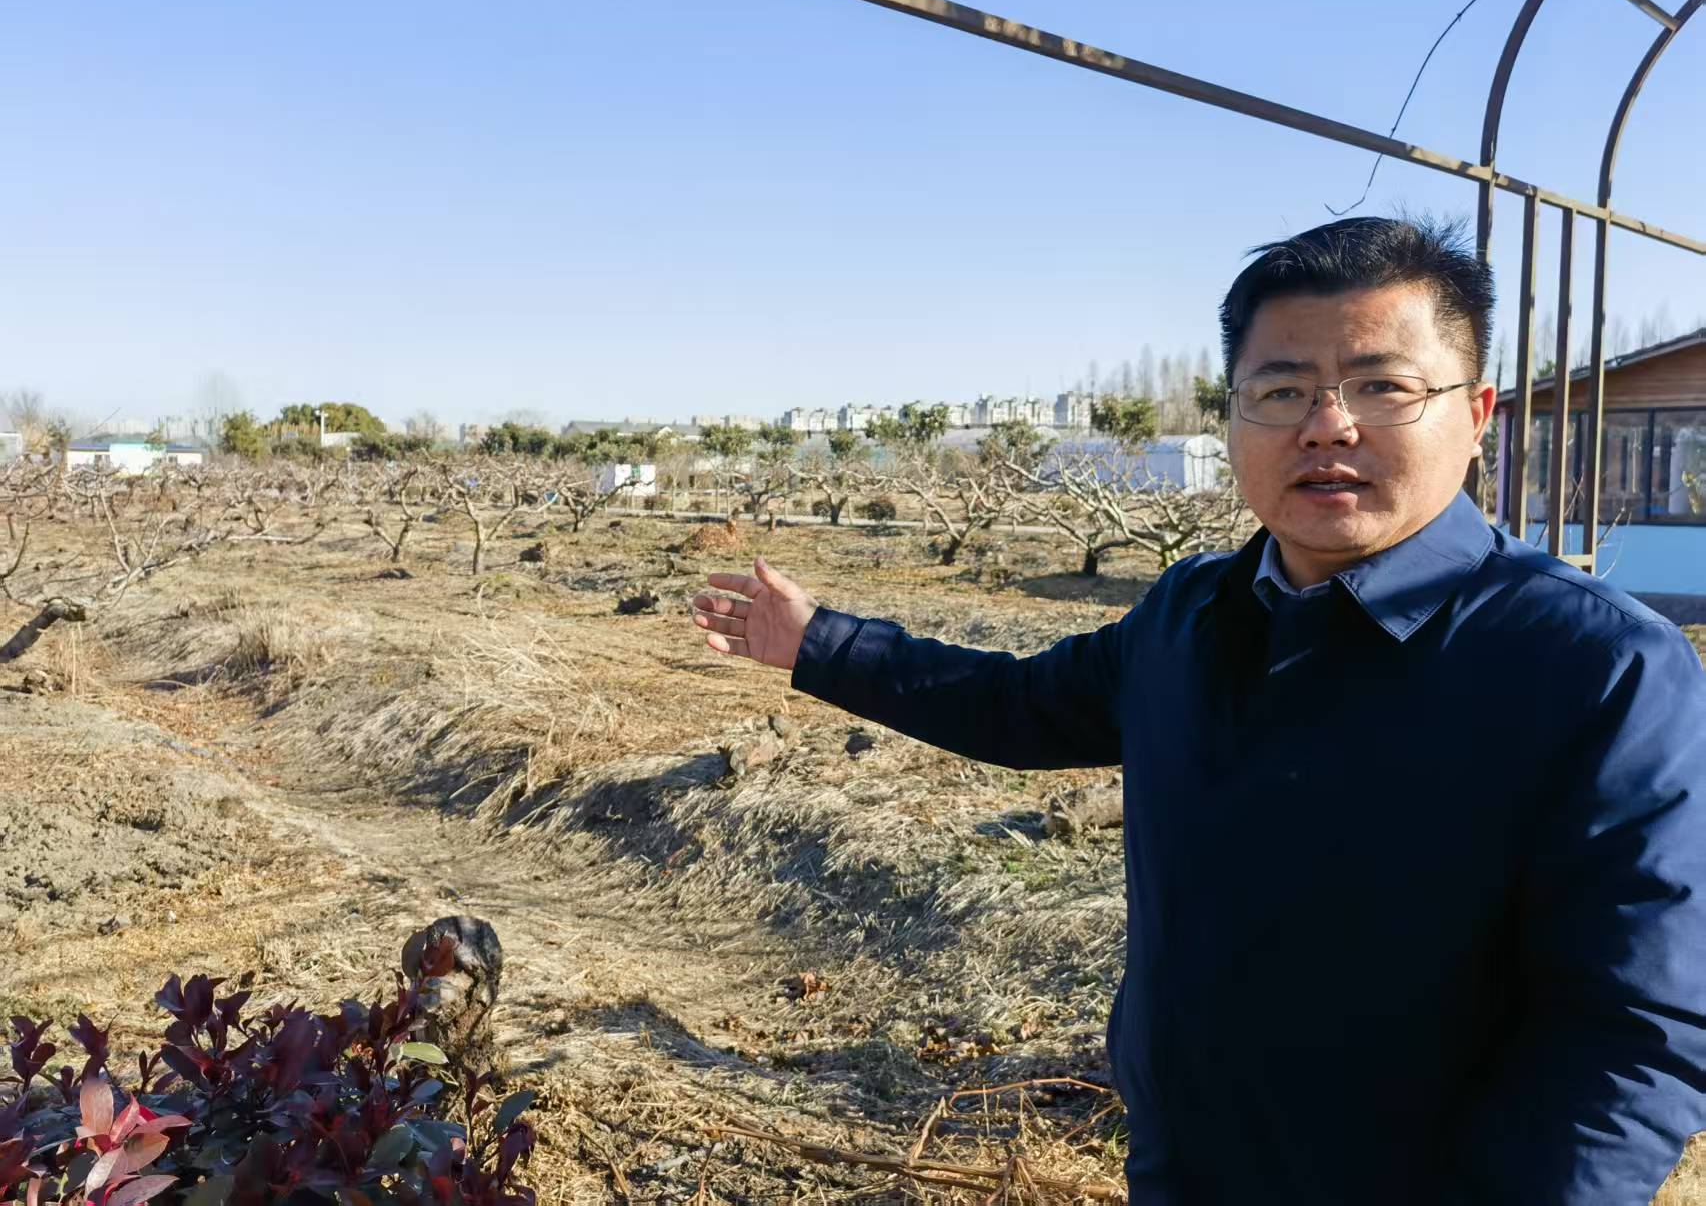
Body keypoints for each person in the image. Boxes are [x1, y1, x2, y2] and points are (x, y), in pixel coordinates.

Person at [687, 216, 1706, 1205]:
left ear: (1476, 415)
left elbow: (1634, 1035)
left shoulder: (1595, 668)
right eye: (1281, 389)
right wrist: (822, 644)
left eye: (1381, 385)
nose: (1326, 424)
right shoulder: (1192, 613)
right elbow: (1016, 705)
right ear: (1233, 417)